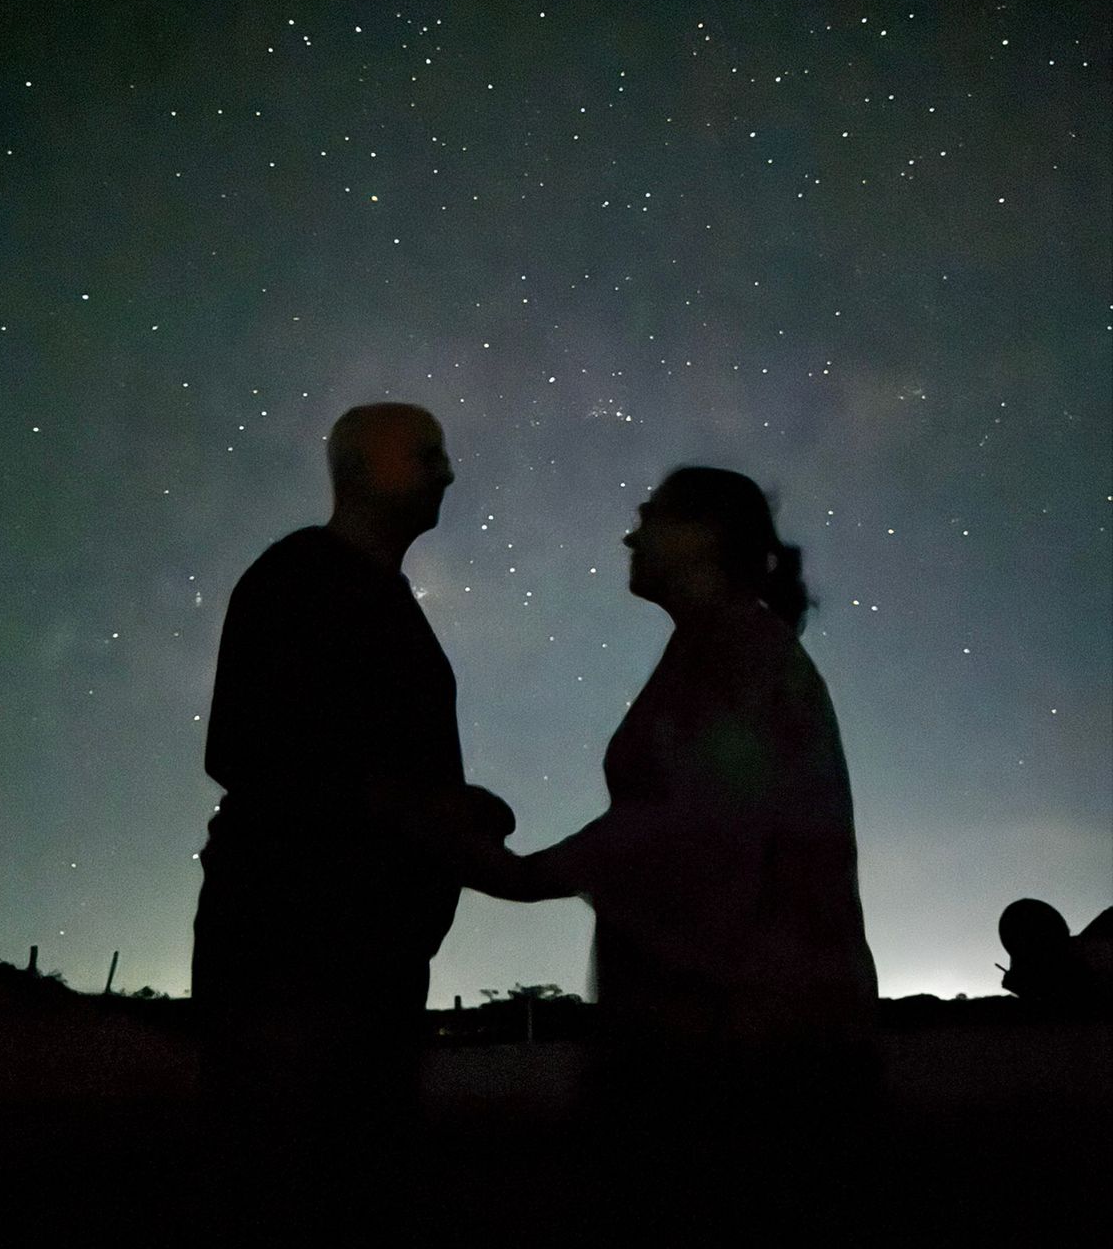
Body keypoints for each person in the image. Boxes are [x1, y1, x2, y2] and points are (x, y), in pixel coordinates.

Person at [471, 467, 884, 1240]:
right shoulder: (722, 647)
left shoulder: (731, 648)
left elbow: (687, 822)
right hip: (744, 1041)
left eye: (648, 516)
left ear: (704, 536)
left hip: (742, 1057)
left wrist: (521, 876)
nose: (630, 535)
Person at [190, 402, 514, 1243]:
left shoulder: (380, 600)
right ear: (368, 466)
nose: (449, 472)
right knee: (288, 1193)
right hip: (292, 952)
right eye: (429, 454)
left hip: (366, 961)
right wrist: (431, 810)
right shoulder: (300, 575)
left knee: (353, 1193)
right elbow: (246, 747)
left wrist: (450, 818)